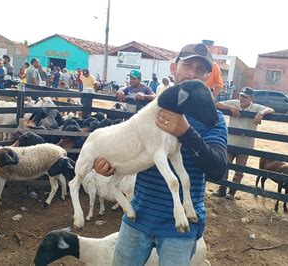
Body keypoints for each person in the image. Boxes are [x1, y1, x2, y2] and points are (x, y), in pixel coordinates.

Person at [93, 43, 227, 266]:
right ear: (174, 68)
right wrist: (107, 166)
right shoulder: (151, 111)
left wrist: (185, 132)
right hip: (138, 216)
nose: (193, 73)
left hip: (180, 226)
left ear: (207, 76)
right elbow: (130, 152)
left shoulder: (212, 119)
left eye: (201, 69)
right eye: (188, 65)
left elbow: (218, 171)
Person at [213, 87, 275, 199]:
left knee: (239, 170)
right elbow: (218, 104)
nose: (242, 98)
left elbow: (271, 109)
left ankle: (232, 192)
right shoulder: (234, 103)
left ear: (251, 98)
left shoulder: (256, 107)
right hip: (230, 142)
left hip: (245, 145)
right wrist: (230, 107)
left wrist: (261, 112)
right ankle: (222, 189)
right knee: (224, 166)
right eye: (241, 96)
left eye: (245, 97)